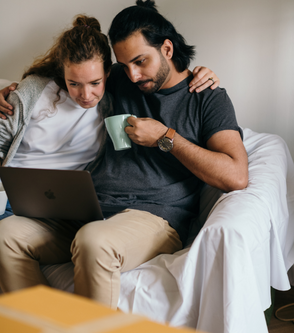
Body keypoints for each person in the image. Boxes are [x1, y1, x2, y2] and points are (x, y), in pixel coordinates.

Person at [0, 0, 246, 311]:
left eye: (140, 61)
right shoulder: (119, 80)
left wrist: (165, 137)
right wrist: (13, 93)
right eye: (124, 64)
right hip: (89, 210)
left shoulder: (207, 99)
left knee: (94, 241)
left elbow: (236, 175)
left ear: (167, 49)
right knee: (6, 234)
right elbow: (69, 69)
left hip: (154, 216)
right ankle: (40, 325)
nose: (132, 74)